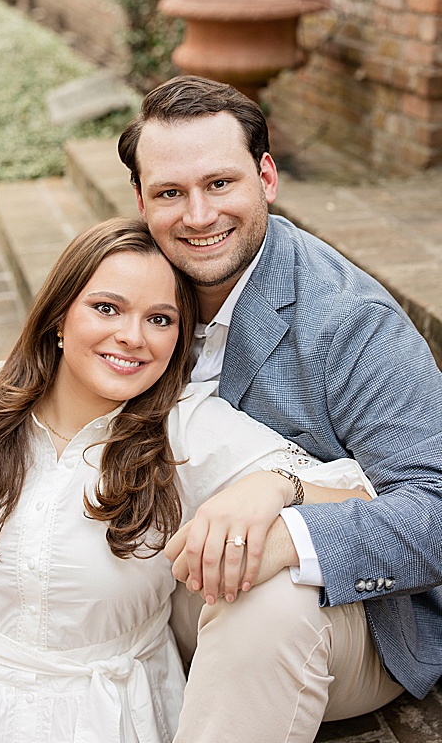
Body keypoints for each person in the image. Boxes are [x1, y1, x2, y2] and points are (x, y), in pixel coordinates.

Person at [0, 218, 374, 743]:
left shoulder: (186, 429)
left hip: (115, 717)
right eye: (107, 308)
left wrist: (276, 486)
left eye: (160, 319)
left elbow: (359, 495)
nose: (132, 337)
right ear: (58, 316)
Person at [117, 75, 442, 741]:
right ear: (142, 200)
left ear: (266, 176)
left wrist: (288, 531)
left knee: (258, 598)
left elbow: (436, 509)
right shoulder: (133, 285)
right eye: (170, 193)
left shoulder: (351, 324)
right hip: (169, 578)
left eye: (220, 184)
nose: (199, 216)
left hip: (347, 617)